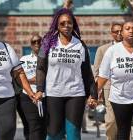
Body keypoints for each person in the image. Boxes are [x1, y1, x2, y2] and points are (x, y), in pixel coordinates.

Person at [36, 8, 98, 140]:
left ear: (73, 24)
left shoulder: (80, 45)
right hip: (54, 93)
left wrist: (93, 95)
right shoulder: (48, 43)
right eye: (62, 23)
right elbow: (41, 68)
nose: (66, 26)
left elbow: (87, 73)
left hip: (76, 94)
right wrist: (40, 89)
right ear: (57, 26)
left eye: (69, 23)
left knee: (73, 133)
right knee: (53, 133)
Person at [93, 23, 122, 140]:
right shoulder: (103, 49)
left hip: (129, 90)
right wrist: (96, 92)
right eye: (116, 31)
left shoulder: (132, 48)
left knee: (125, 121)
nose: (119, 34)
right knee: (111, 120)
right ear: (112, 33)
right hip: (109, 88)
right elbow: (97, 72)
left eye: (121, 31)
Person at [17, 34, 46, 140]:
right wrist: (30, 80)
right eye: (34, 42)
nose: (37, 43)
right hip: (27, 96)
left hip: (46, 95)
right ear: (30, 45)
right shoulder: (23, 59)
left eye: (39, 41)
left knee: (45, 126)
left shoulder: (49, 58)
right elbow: (18, 78)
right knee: (33, 125)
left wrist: (35, 80)